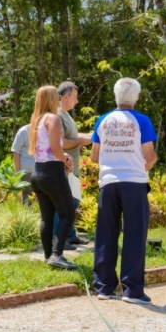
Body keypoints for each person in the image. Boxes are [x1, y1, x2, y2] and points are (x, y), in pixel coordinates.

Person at [90, 78, 158, 305]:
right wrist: (148, 164)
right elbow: (149, 156)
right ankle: (132, 290)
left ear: (115, 95)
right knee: (135, 234)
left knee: (106, 233)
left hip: (108, 182)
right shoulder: (142, 120)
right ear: (136, 97)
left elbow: (94, 156)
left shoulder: (103, 120)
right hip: (134, 182)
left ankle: (104, 287)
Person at [28, 85, 77, 269]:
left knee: (46, 218)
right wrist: (65, 158)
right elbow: (56, 148)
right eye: (56, 96)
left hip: (38, 174)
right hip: (52, 173)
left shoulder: (37, 120)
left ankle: (48, 255)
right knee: (67, 213)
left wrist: (63, 156)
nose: (59, 99)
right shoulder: (53, 119)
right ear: (50, 99)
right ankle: (57, 255)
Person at [54, 81, 92, 246]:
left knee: (74, 201)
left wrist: (86, 138)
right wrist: (82, 140)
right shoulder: (58, 115)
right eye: (75, 97)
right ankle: (59, 239)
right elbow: (61, 142)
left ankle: (71, 235)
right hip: (64, 167)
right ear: (65, 96)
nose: (77, 101)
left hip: (73, 167)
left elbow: (72, 137)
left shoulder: (67, 114)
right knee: (62, 204)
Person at [11, 124, 35, 204]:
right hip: (27, 170)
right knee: (27, 194)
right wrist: (18, 172)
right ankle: (27, 215)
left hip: (41, 169)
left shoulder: (45, 131)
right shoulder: (24, 131)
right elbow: (15, 151)